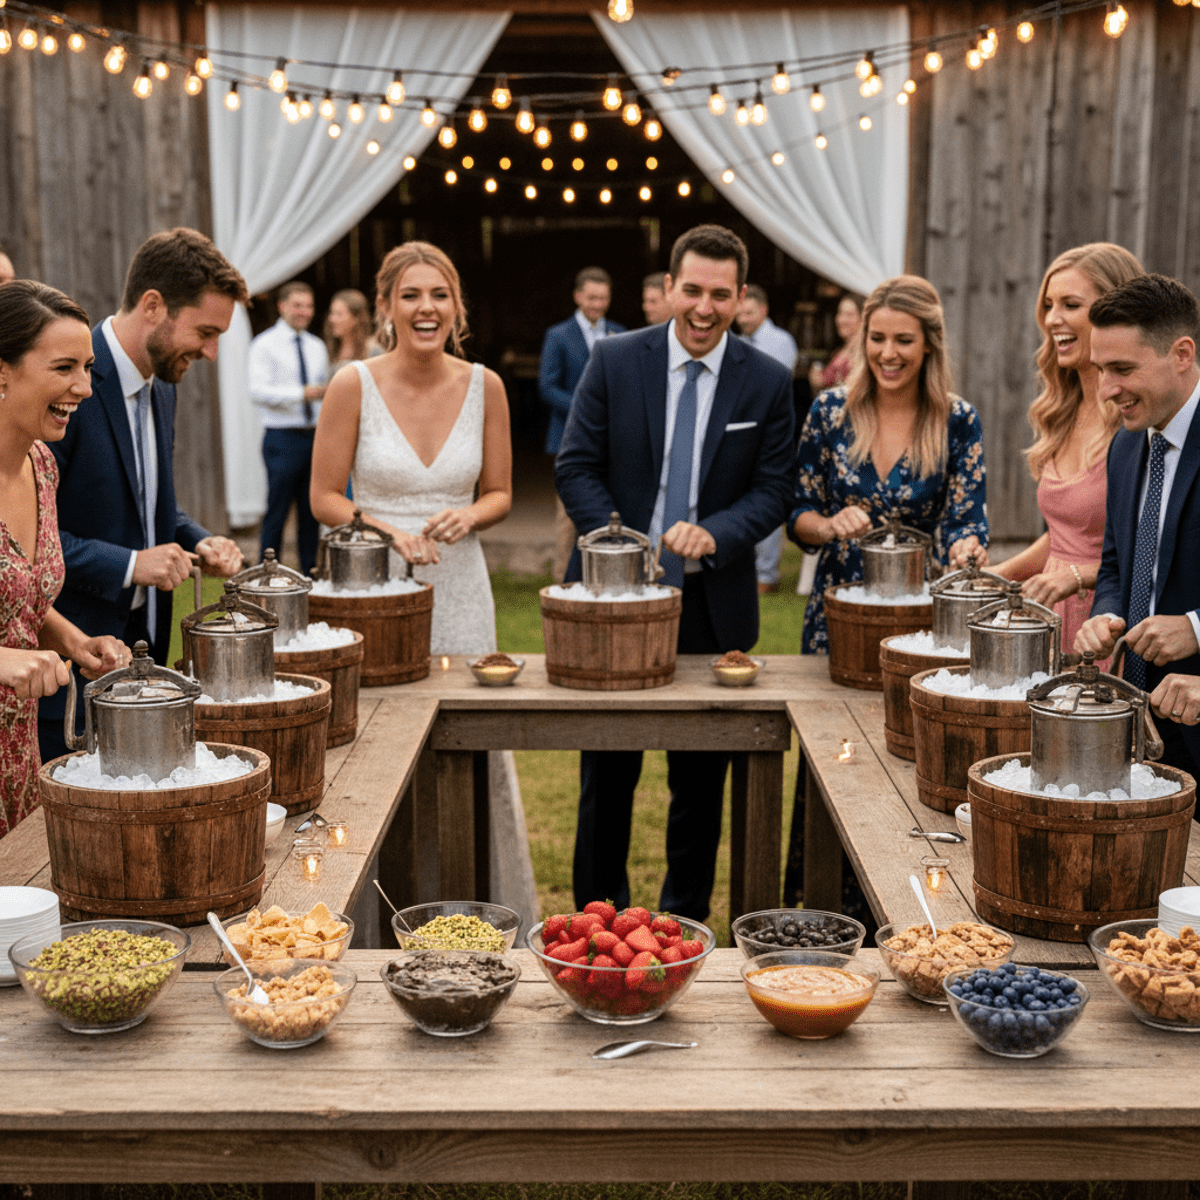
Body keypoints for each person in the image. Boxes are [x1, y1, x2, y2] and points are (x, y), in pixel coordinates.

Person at [555, 224, 795, 922]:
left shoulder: (768, 380)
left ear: (740, 298)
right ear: (667, 288)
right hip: (613, 603)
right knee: (607, 775)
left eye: (720, 295)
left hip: (712, 604)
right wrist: (625, 546)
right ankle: (597, 924)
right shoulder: (613, 360)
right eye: (691, 290)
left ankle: (682, 924)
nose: (703, 308)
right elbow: (576, 466)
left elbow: (775, 489)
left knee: (699, 781)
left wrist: (717, 532)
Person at [310, 240, 538, 927]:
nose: (425, 308)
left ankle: (477, 904)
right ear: (386, 307)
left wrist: (470, 514)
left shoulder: (486, 386)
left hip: (460, 587)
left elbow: (500, 492)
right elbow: (324, 496)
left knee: (467, 739)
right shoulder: (352, 383)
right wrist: (385, 530)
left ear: (457, 308)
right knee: (374, 747)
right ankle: (373, 916)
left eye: (439, 295)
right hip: (372, 590)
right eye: (410, 295)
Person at [37, 227, 247, 765]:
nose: (211, 352)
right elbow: (29, 541)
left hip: (141, 649)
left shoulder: (163, 386)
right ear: (153, 306)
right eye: (205, 331)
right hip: (65, 664)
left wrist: (199, 540)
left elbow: (150, 504)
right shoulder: (66, 384)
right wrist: (132, 564)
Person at [790, 275, 988, 655]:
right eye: (877, 338)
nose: (888, 353)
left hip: (921, 615)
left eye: (904, 340)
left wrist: (967, 547)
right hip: (839, 608)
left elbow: (966, 521)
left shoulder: (958, 420)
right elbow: (800, 514)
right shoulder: (830, 411)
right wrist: (830, 525)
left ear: (929, 342)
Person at [0, 281, 128, 835]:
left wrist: (74, 641)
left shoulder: (43, 466)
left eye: (88, 367)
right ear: (2, 373)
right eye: (64, 368)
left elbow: (19, 594)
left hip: (18, 755)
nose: (84, 387)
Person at [1074, 273, 1200, 778]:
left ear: (1182, 354)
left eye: (1123, 369)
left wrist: (1196, 628)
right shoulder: (1126, 444)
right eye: (1101, 369)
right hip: (1138, 726)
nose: (1107, 390)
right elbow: (1114, 565)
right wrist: (1106, 614)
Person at [990, 244, 1144, 653]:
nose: (1052, 319)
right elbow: (1065, 537)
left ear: (1114, 313)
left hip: (1107, 623)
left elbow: (1150, 556)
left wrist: (1075, 577)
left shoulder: (1136, 418)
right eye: (1048, 305)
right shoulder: (1062, 410)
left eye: (1070, 305)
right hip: (1051, 614)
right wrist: (997, 574)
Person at [539, 267, 626, 582]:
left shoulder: (620, 332)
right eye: (591, 298)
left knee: (609, 508)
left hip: (612, 439)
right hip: (569, 437)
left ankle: (606, 576)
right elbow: (547, 386)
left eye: (603, 298)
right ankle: (564, 580)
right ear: (578, 297)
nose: (597, 304)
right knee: (568, 514)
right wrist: (586, 411)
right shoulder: (558, 335)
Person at [249, 281, 328, 575]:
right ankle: (267, 575)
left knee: (311, 512)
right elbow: (258, 391)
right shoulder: (264, 345)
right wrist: (301, 393)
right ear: (282, 306)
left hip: (314, 437)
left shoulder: (317, 346)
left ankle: (310, 576)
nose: (304, 311)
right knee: (277, 511)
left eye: (308, 306)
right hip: (281, 438)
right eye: (297, 305)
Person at [738, 284, 799, 595]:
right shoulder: (739, 341)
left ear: (763, 310)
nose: (743, 318)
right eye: (740, 313)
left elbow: (770, 388)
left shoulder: (780, 341)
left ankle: (767, 574)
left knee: (768, 497)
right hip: (742, 432)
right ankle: (750, 569)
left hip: (768, 432)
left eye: (749, 313)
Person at [809, 292, 863, 394]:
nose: (841, 320)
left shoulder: (863, 351)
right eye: (840, 313)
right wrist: (817, 383)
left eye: (849, 315)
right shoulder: (841, 351)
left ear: (862, 319)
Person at [324, 288, 381, 370]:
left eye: (339, 314)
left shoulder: (372, 350)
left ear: (356, 319)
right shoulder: (329, 349)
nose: (332, 319)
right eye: (332, 313)